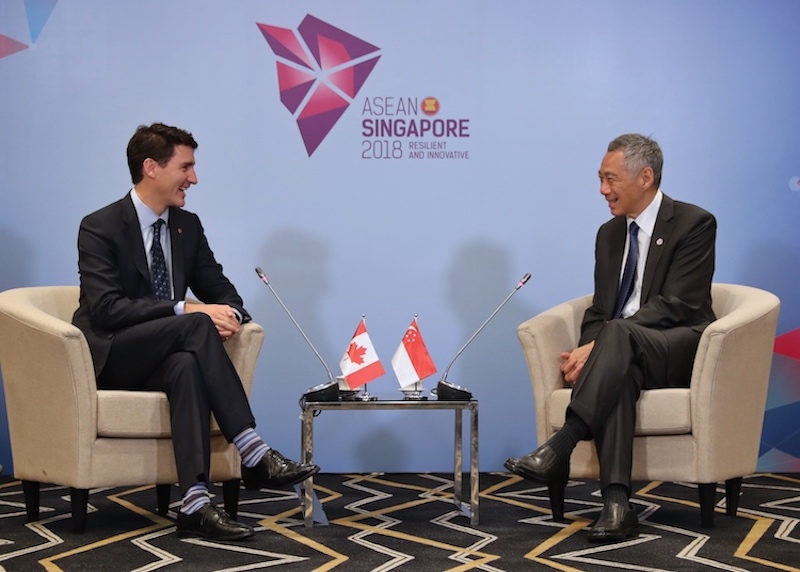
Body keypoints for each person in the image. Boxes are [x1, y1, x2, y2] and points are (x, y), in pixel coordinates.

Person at [72, 123, 319, 541]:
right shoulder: (100, 226)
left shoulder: (187, 226)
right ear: (151, 167)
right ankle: (254, 452)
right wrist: (187, 309)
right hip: (115, 355)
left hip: (169, 354)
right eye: (185, 167)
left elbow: (224, 292)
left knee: (187, 362)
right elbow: (107, 309)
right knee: (193, 322)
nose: (194, 178)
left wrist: (231, 315)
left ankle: (195, 502)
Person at [505, 133, 716, 542]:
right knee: (618, 370)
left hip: (675, 348)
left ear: (645, 177)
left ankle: (560, 445)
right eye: (600, 179)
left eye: (611, 179)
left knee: (618, 335)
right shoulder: (609, 234)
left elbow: (680, 304)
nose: (603, 190)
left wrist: (599, 345)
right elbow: (600, 311)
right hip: (625, 356)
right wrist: (597, 348)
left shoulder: (694, 223)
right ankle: (617, 507)